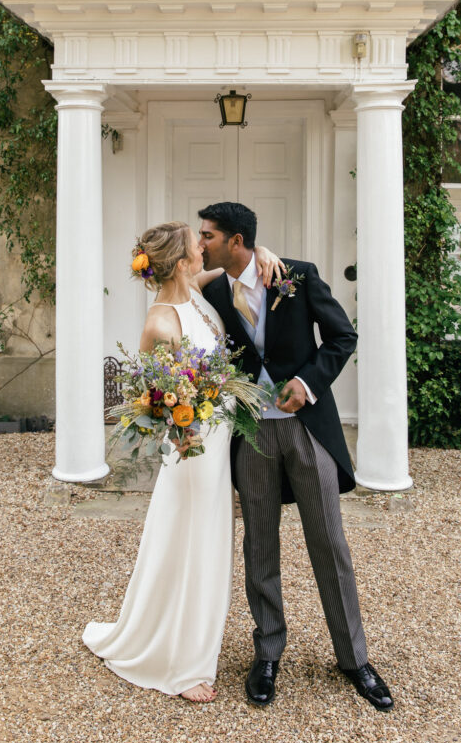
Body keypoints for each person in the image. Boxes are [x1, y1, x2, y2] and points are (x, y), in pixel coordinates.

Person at [198, 202, 394, 713]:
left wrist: (307, 383)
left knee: (329, 540)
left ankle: (354, 659)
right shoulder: (214, 290)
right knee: (259, 544)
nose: (202, 244)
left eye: (209, 236)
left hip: (307, 431)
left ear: (236, 240)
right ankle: (267, 655)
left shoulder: (297, 277)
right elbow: (176, 288)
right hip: (252, 435)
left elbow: (342, 336)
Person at [82, 222, 282, 703]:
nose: (204, 246)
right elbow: (147, 398)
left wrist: (265, 252)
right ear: (179, 260)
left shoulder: (197, 288)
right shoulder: (162, 321)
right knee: (194, 547)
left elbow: (238, 266)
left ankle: (189, 642)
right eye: (198, 243)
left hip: (217, 445)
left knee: (210, 544)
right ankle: (183, 664)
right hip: (192, 450)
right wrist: (185, 427)